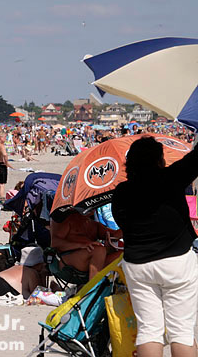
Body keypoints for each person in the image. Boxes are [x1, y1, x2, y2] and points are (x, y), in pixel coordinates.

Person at [112, 136, 198, 357]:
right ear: (159, 161)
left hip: (137, 264)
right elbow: (195, 160)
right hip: (176, 262)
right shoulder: (171, 178)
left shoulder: (122, 191)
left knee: (149, 330)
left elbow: (121, 223)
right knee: (181, 332)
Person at [50, 211, 122, 280]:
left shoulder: (94, 224)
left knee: (123, 254)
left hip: (92, 261)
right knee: (98, 250)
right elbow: (55, 243)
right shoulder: (67, 219)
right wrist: (81, 245)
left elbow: (114, 235)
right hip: (68, 261)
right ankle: (93, 289)